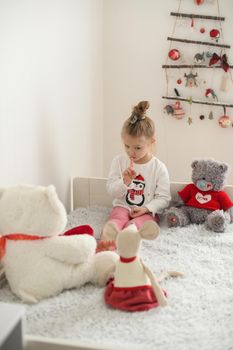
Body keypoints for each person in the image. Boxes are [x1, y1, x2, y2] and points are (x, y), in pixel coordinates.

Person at [101, 100, 171, 242]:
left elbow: (164, 198)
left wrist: (146, 208)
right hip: (123, 206)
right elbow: (112, 191)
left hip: (145, 212)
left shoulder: (158, 168)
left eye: (138, 148)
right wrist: (125, 182)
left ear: (151, 142)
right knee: (117, 218)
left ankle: (129, 236)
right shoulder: (119, 161)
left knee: (139, 224)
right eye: (127, 146)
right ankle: (108, 239)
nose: (131, 152)